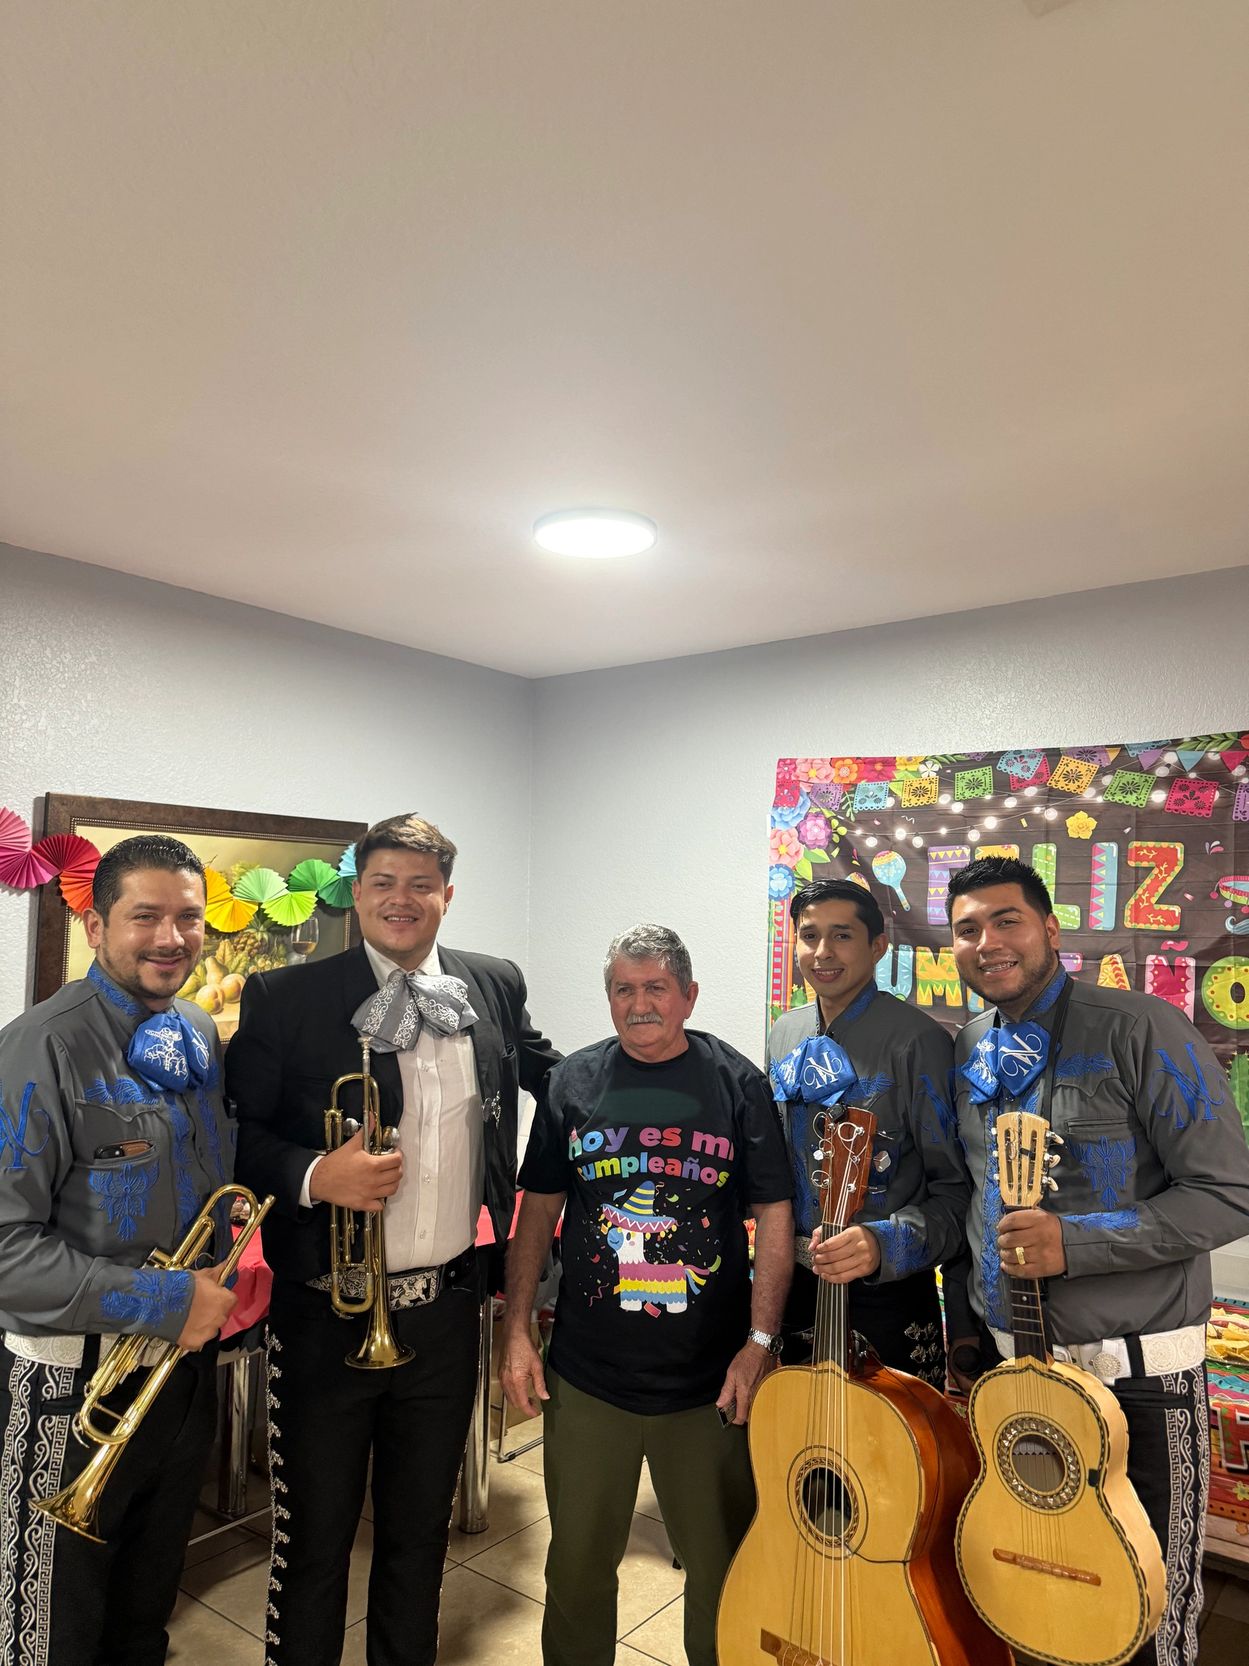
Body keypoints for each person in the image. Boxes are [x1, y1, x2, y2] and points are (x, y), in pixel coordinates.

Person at [228, 812, 560, 1666]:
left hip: (447, 1313)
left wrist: (656, 1081)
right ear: (358, 895)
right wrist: (312, 1174)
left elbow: (551, 1074)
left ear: (448, 894)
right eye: (382, 883)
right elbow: (239, 1136)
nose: (400, 900)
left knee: (418, 1543)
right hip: (324, 1319)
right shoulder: (285, 995)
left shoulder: (492, 982)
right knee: (315, 1546)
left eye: (420, 884)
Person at [944, 854, 1249, 1666]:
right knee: (1037, 1606)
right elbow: (975, 1201)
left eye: (1005, 920)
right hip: (1016, 1378)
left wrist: (1073, 1243)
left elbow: (1228, 1192)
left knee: (1145, 1623)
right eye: (966, 929)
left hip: (1138, 1386)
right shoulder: (969, 1045)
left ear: (1050, 927)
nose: (986, 942)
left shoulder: (1139, 1027)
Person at [500, 924, 793, 1666]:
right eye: (623, 990)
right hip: (589, 1376)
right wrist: (515, 1334)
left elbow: (774, 1218)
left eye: (654, 988)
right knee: (574, 1568)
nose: (638, 1005)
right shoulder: (573, 1081)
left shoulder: (736, 1083)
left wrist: (759, 1346)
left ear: (687, 996)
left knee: (722, 1572)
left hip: (707, 1383)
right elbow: (538, 1206)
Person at [0, 835, 238, 1666]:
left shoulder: (201, 1033)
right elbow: (5, 1252)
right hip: (71, 1381)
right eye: (146, 917)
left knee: (145, 1608)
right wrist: (171, 1301)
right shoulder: (41, 1045)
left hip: (176, 1379)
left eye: (188, 918)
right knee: (51, 1628)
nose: (171, 938)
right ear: (97, 925)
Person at [766, 879, 966, 1385]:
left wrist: (884, 1244)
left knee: (891, 1457)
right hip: (794, 1289)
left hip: (888, 1292)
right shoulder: (784, 1033)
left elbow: (957, 1191)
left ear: (878, 946)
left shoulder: (920, 1042)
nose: (822, 953)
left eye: (842, 936)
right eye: (809, 936)